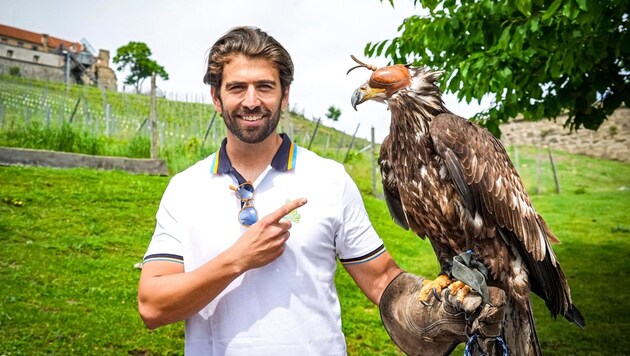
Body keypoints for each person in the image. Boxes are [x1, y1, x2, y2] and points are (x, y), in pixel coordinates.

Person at [138, 26, 505, 355]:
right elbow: (153, 307)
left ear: (284, 96)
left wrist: (432, 309)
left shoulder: (330, 179)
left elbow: (379, 278)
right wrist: (238, 259)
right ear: (217, 98)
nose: (251, 101)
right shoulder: (183, 189)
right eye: (237, 87)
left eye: (265, 87)